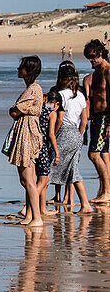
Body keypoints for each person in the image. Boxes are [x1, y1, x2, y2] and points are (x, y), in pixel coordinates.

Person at [2, 56, 45, 226]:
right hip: (26, 132)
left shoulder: (33, 89)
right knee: (26, 179)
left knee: (28, 179)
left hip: (28, 134)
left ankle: (36, 217)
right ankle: (30, 215)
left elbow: (16, 110)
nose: (19, 69)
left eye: (22, 67)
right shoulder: (32, 88)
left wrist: (15, 110)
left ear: (29, 70)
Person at [49, 61, 93, 213]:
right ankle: (85, 204)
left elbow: (59, 119)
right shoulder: (80, 95)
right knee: (73, 170)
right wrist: (79, 135)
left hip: (64, 132)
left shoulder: (60, 95)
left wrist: (53, 134)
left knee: (49, 168)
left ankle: (36, 207)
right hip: (76, 133)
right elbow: (85, 120)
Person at [83, 39, 110, 202]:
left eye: (93, 57)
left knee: (93, 155)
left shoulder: (107, 70)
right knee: (104, 154)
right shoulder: (98, 72)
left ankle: (107, 193)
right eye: (89, 58)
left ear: (100, 54)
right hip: (97, 117)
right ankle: (104, 191)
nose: (91, 60)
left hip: (105, 117)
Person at [31, 90, 60, 219]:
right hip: (44, 147)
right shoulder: (52, 113)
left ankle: (42, 209)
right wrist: (57, 152)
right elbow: (51, 134)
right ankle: (27, 207)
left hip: (34, 145)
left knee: (40, 178)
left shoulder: (38, 109)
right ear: (55, 104)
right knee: (44, 179)